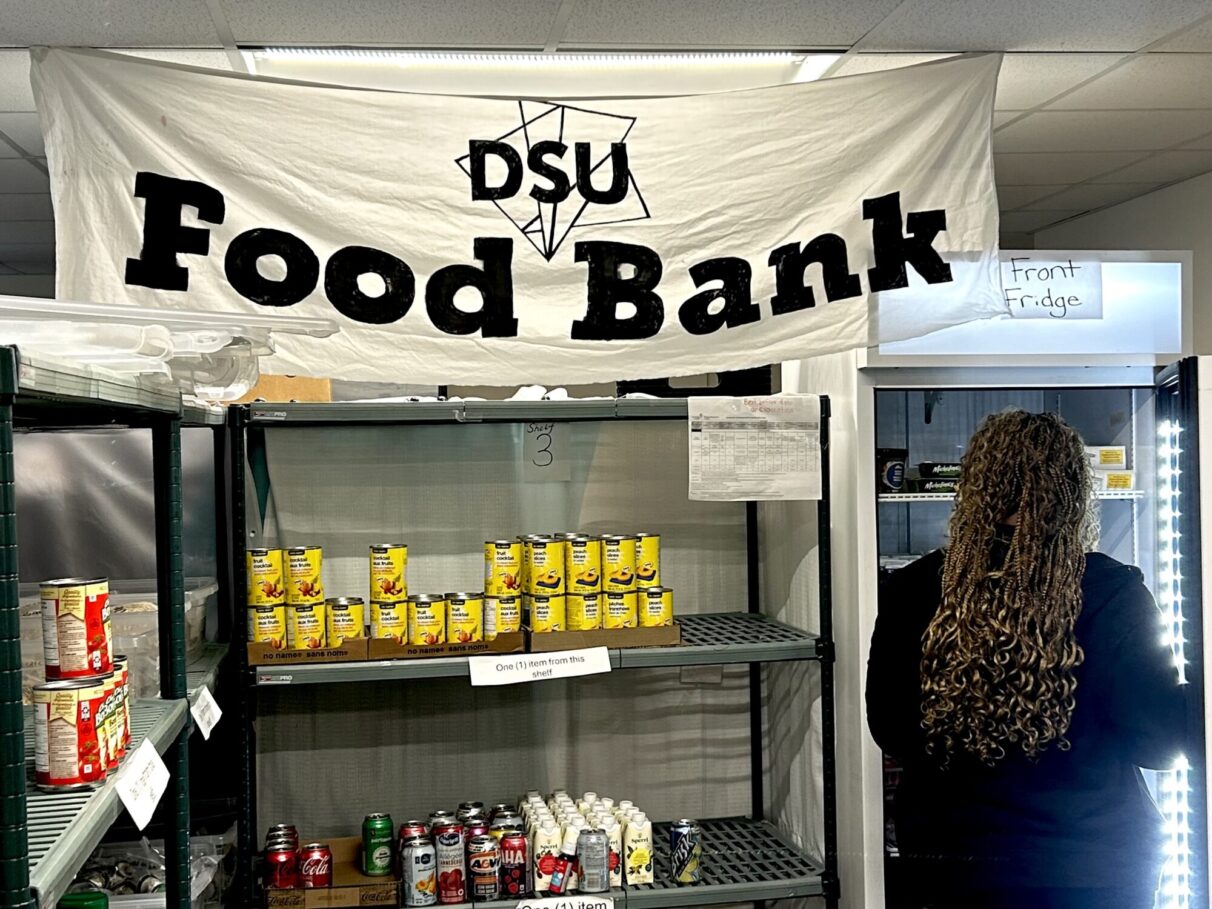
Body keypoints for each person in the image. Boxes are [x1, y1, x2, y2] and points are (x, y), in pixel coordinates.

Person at [867, 410, 1187, 909]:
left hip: (951, 860)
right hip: (1091, 863)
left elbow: (891, 728)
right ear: (1073, 495)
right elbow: (1160, 745)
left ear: (974, 488)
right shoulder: (1109, 591)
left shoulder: (914, 588)